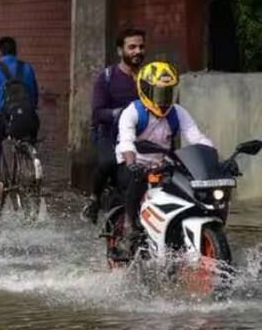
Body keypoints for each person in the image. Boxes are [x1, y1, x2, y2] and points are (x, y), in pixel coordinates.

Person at [114, 61, 213, 257]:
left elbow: (196, 137)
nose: (165, 100)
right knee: (137, 179)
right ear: (146, 90)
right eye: (160, 94)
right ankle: (128, 225)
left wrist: (212, 157)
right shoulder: (132, 111)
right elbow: (126, 142)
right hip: (133, 164)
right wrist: (132, 163)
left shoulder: (178, 112)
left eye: (169, 93)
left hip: (162, 164)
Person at [82, 28, 146, 224]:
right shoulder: (107, 77)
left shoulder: (149, 77)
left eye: (141, 47)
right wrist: (123, 113)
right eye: (132, 47)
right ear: (120, 50)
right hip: (110, 135)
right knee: (107, 163)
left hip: (142, 136)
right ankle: (94, 199)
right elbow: (97, 112)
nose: (137, 51)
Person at [0, 36, 39, 140]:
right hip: (28, 118)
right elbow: (34, 95)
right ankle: (31, 153)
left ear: (0, 52)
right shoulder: (27, 68)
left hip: (4, 120)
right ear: (15, 51)